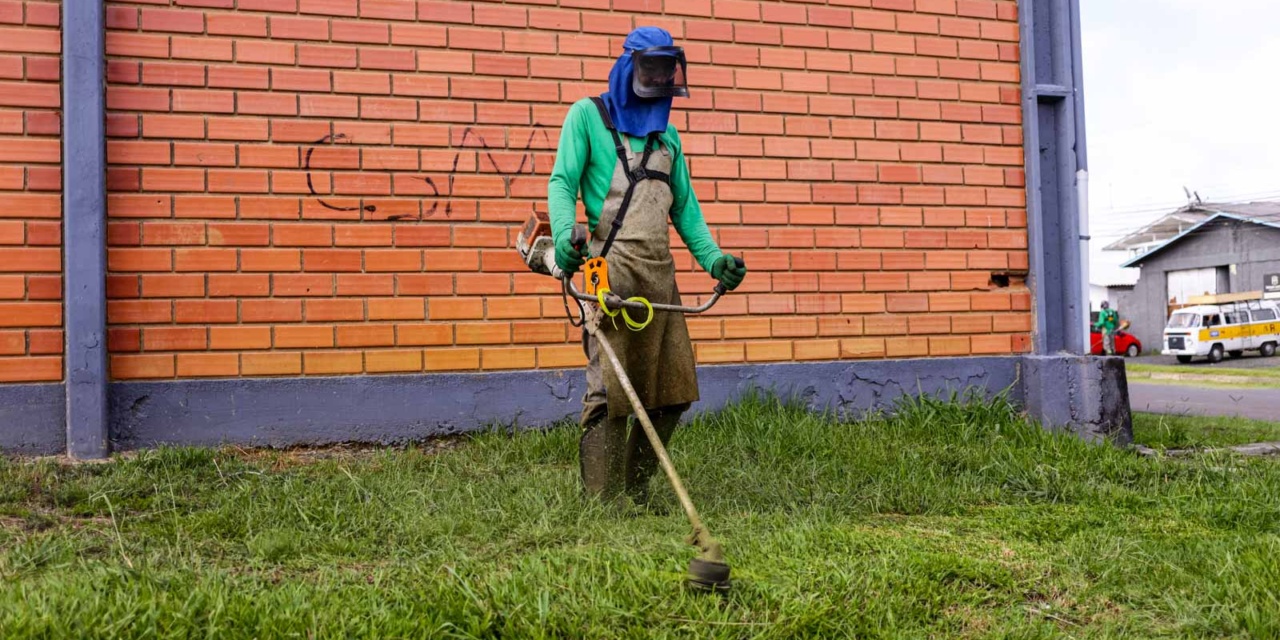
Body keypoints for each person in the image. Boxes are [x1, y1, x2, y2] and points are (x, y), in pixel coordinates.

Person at [546, 26, 748, 505]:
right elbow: (561, 183)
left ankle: (634, 489)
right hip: (608, 274)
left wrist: (715, 260)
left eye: (665, 69)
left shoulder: (668, 137)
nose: (658, 77)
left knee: (674, 390)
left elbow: (686, 212)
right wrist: (562, 236)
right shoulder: (587, 117)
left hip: (660, 277)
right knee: (610, 393)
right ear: (629, 65)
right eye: (650, 67)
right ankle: (601, 500)